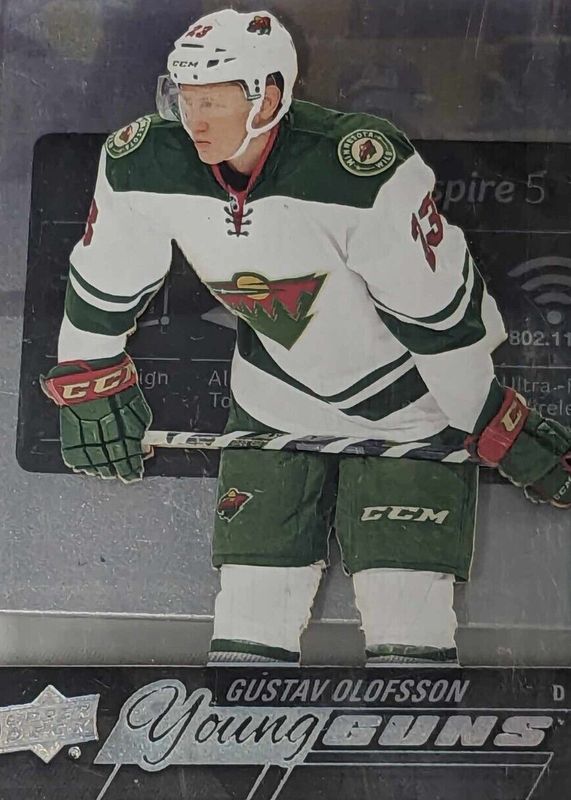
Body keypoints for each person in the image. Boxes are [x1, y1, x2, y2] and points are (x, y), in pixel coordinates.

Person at [41, 9, 571, 665]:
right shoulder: (142, 162)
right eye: (185, 96)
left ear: (267, 96)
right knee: (251, 604)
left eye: (213, 100)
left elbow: (436, 317)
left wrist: (487, 416)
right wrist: (88, 374)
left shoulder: (359, 169)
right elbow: (105, 277)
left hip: (414, 405)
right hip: (275, 393)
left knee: (406, 611)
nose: (193, 118)